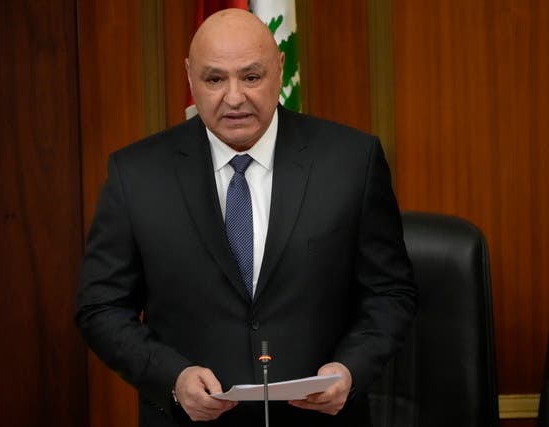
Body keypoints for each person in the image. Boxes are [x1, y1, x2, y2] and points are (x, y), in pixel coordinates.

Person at [76, 8, 417, 427]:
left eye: (251, 77)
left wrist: (350, 369)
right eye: (214, 79)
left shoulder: (351, 161)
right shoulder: (137, 174)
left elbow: (391, 292)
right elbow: (102, 307)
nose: (234, 97)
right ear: (189, 76)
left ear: (280, 68)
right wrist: (172, 377)